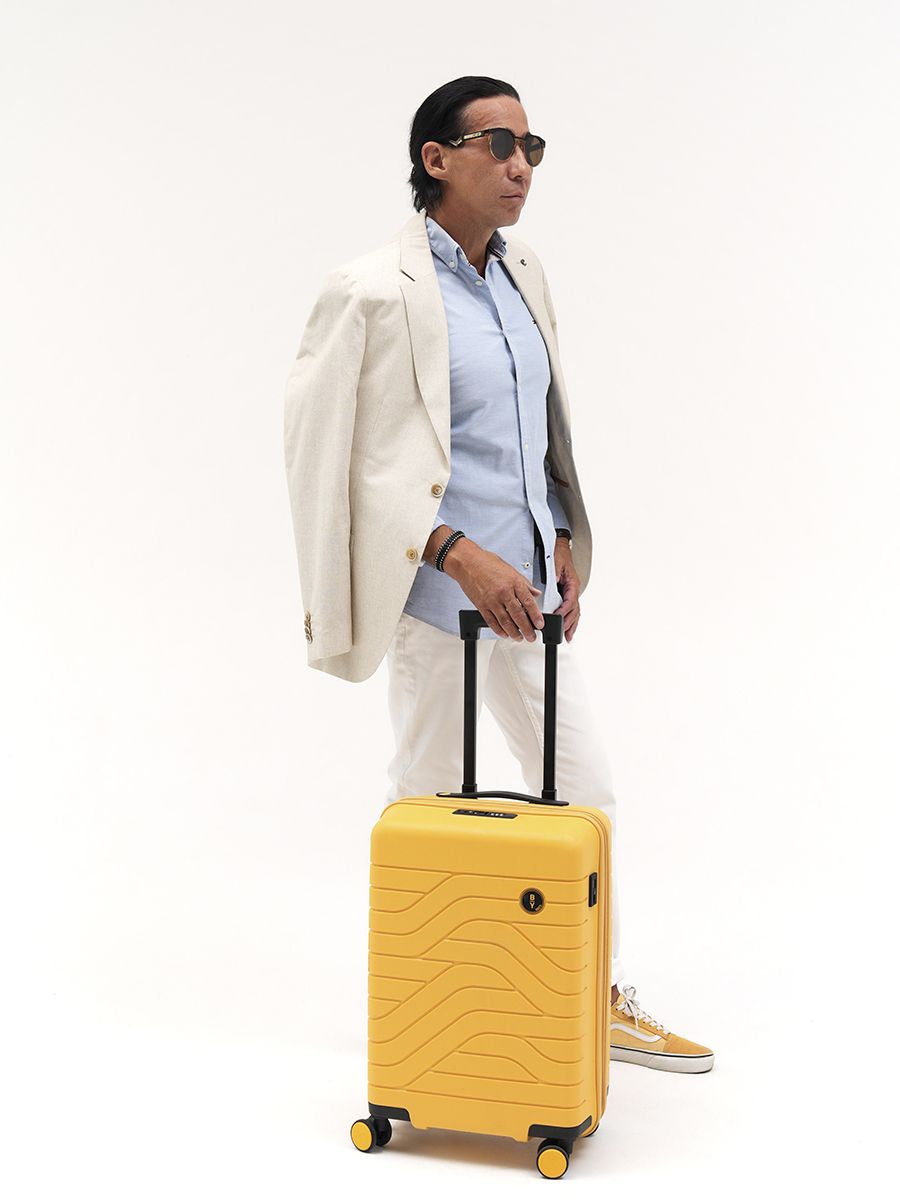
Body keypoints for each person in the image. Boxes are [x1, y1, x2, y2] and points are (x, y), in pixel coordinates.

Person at [283, 76, 714, 1073]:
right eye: (499, 144)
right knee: (429, 804)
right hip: (433, 600)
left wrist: (558, 529)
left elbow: (532, 433)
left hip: (529, 600)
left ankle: (591, 994)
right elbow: (333, 455)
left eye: (532, 147)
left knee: (585, 793)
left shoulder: (523, 276)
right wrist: (453, 550)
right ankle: (425, 1007)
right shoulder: (370, 290)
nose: (521, 166)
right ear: (436, 159)